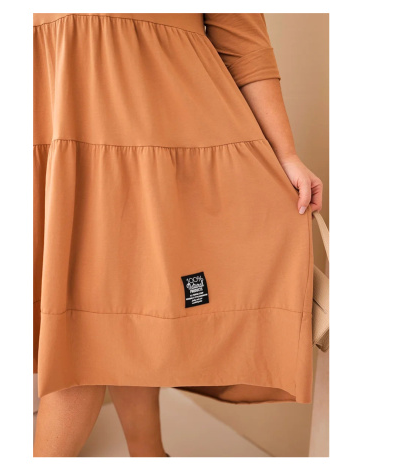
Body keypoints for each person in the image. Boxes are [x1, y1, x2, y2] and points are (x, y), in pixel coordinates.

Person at [33, 13, 323, 457]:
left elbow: (244, 46)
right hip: (54, 129)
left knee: (95, 331)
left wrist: (285, 154)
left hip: (164, 138)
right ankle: (151, 455)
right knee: (114, 319)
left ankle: (149, 454)